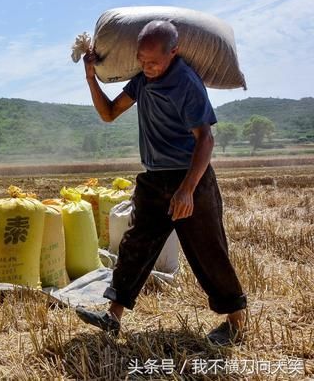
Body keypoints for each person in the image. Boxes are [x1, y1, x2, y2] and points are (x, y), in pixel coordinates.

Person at [76, 20, 247, 346]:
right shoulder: (142, 81)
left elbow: (206, 140)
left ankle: (236, 322)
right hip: (154, 180)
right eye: (142, 60)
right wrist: (89, 78)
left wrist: (187, 190)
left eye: (154, 61)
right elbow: (110, 113)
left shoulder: (185, 83)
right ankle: (112, 315)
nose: (147, 67)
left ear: (174, 52)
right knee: (136, 246)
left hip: (189, 178)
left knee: (208, 251)